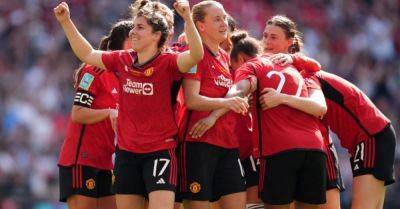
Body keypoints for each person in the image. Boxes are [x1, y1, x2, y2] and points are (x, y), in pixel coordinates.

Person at [54, 1, 203, 209]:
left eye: (140, 27)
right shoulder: (122, 59)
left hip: (159, 152)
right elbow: (87, 54)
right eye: (133, 26)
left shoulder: (169, 62)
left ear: (156, 35)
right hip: (126, 154)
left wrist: (187, 18)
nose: (133, 32)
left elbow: (197, 55)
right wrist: (66, 21)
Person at [177, 1, 249, 209]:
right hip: (198, 143)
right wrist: (228, 102)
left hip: (228, 144)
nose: (224, 23)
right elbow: (192, 100)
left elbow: (234, 96)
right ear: (200, 26)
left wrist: (217, 113)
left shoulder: (225, 57)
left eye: (224, 18)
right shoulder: (195, 55)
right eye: (217, 19)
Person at [58, 20, 133, 209]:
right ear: (122, 45)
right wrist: (109, 112)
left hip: (106, 161)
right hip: (81, 159)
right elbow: (77, 113)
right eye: (134, 38)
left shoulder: (128, 78)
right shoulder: (94, 70)